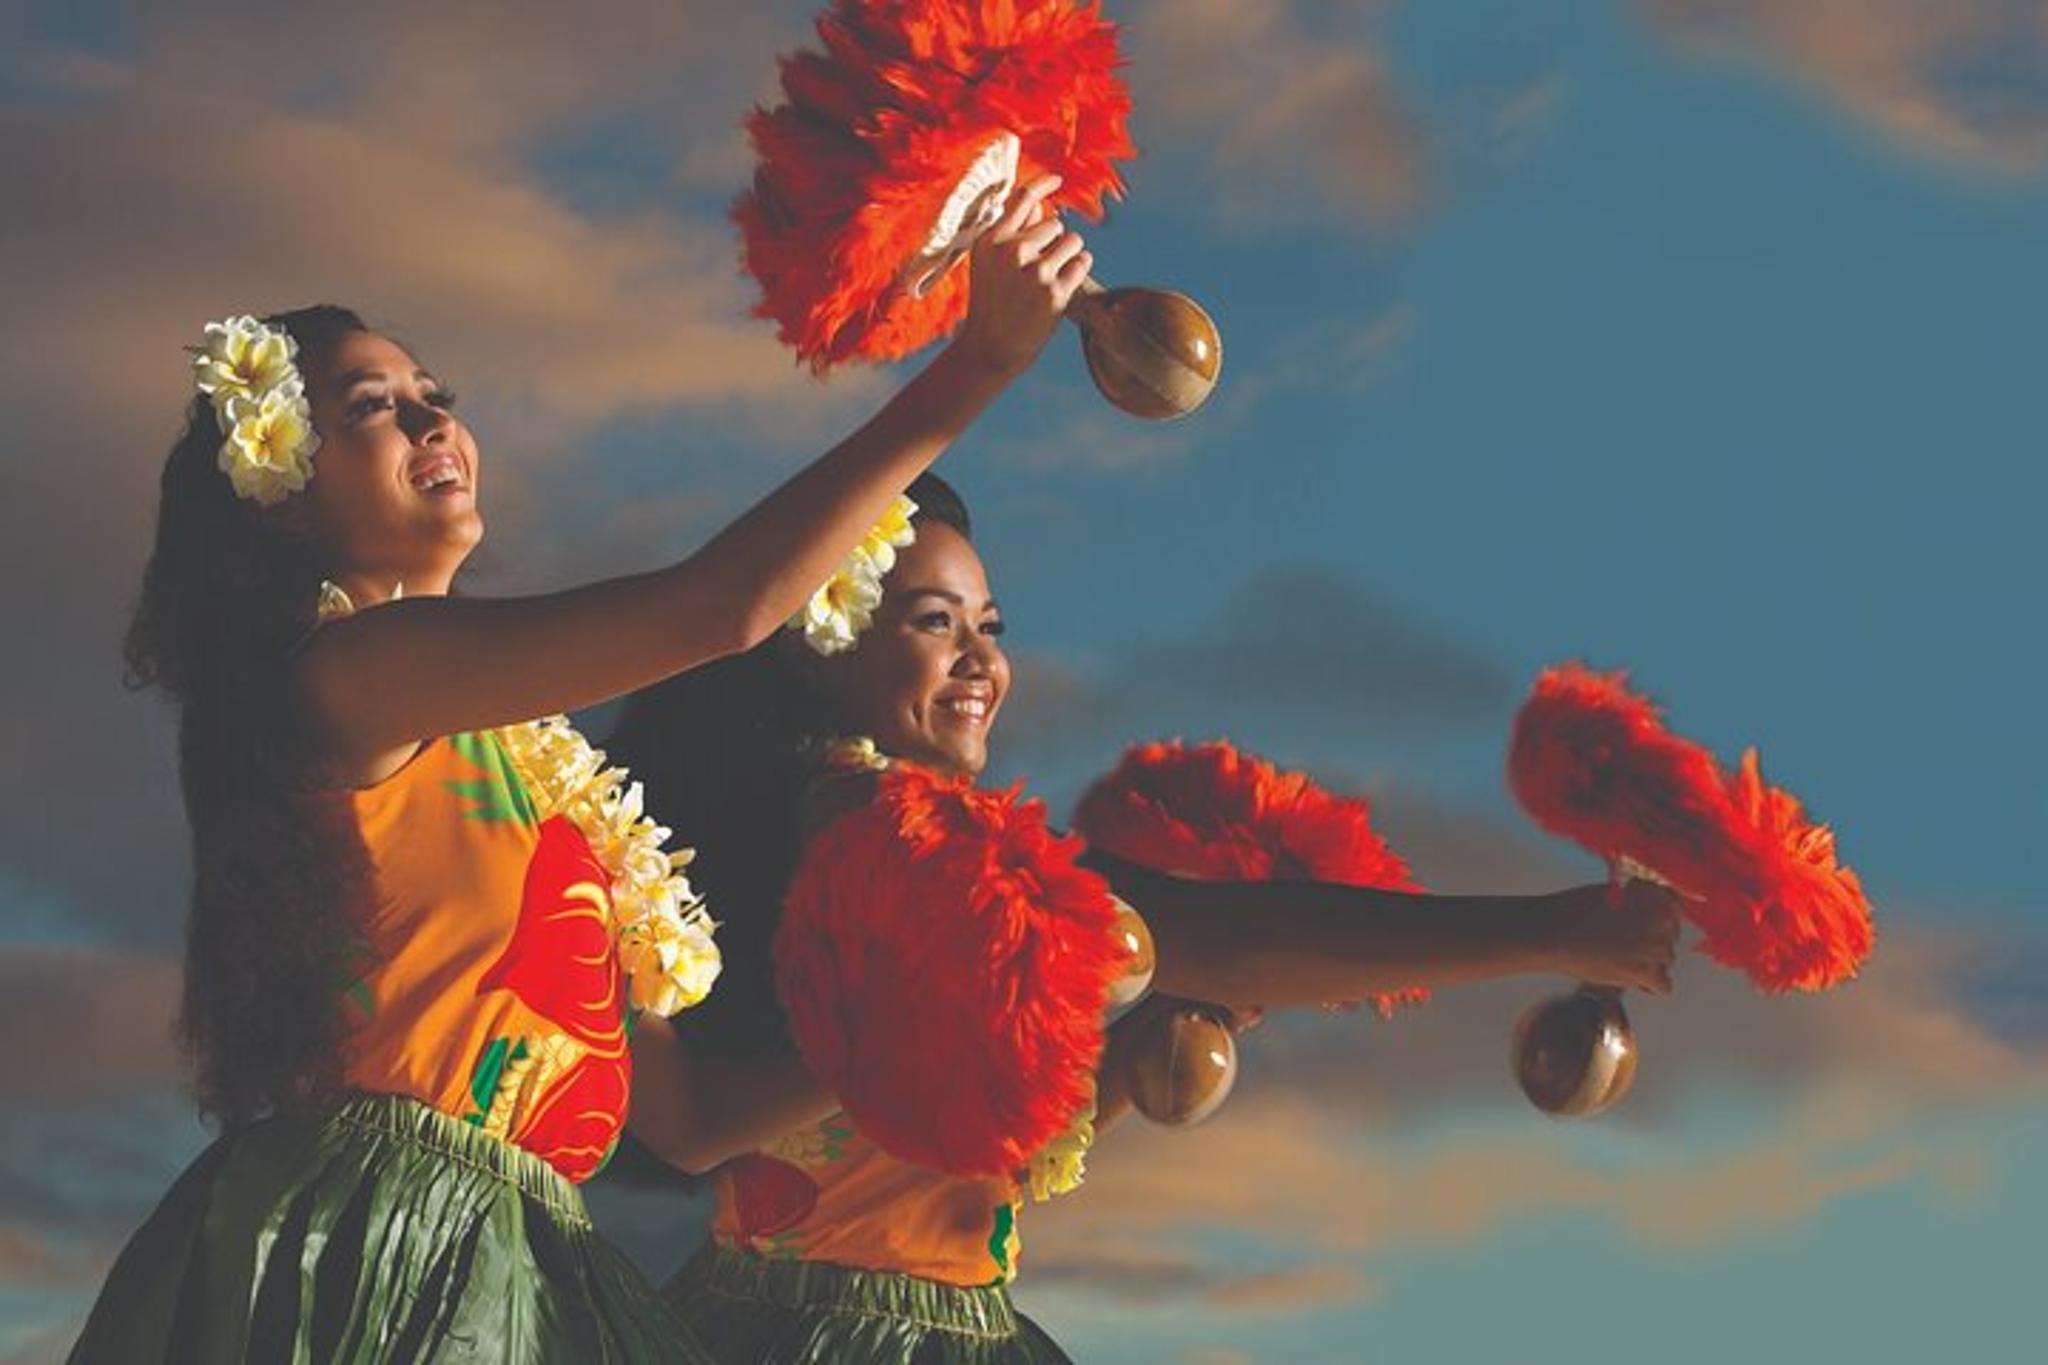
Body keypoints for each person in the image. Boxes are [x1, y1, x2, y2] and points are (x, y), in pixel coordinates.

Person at [68, 177, 1092, 1364]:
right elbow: (715, 607)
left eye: (433, 397)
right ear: (282, 485)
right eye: (372, 407)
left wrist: (930, 1039)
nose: (429, 422)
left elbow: (696, 1123)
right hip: (381, 1250)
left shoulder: (521, 769)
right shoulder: (347, 674)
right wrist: (975, 368)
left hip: (523, 1258)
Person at [607, 473, 1682, 1364]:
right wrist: (1547, 931)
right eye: (933, 623)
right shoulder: (881, 821)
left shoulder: (883, 826)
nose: (980, 659)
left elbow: (965, 1175)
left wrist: (1126, 1066)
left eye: (988, 625)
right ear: (819, 641)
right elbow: (1198, 931)